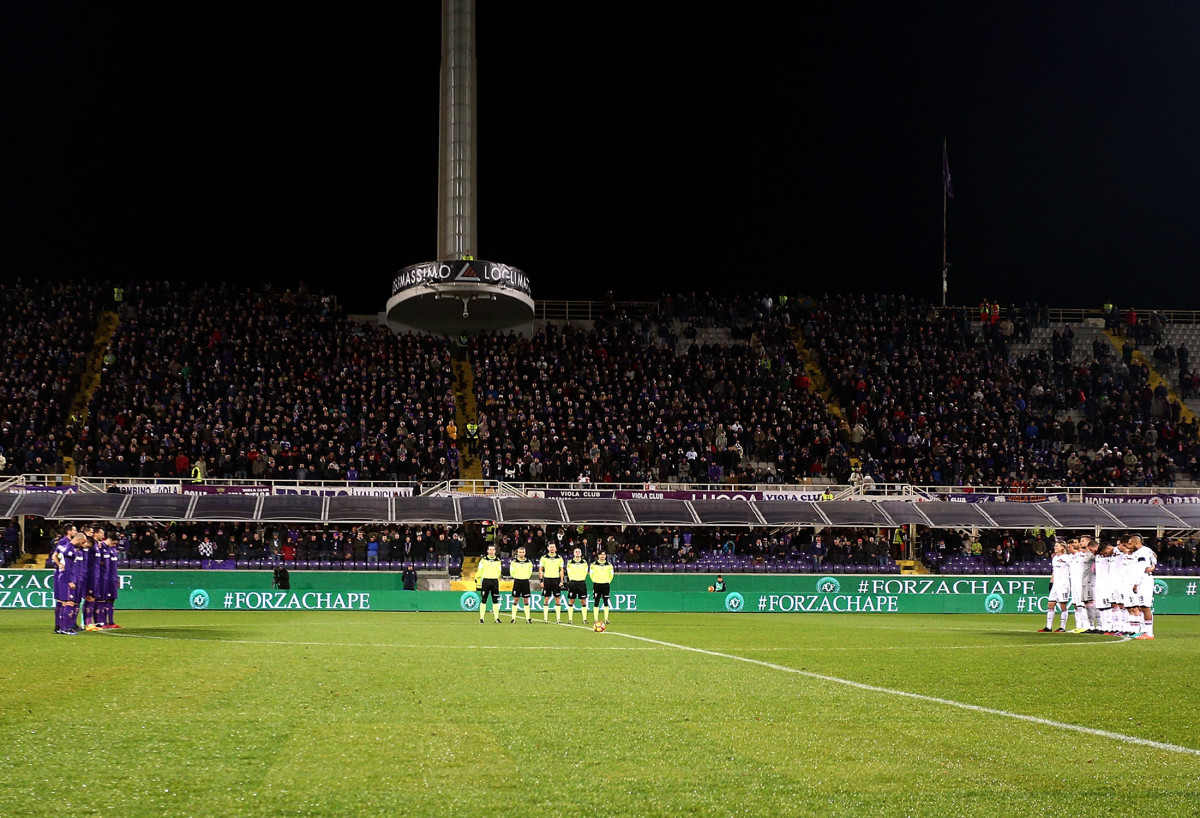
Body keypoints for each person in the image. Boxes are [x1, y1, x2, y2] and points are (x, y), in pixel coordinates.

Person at [1127, 534, 1158, 640]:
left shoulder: (1141, 553)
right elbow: (1155, 558)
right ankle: (1144, 631)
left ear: (1137, 543)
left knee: (1145, 607)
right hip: (1144, 579)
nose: (1129, 546)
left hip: (1144, 581)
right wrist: (1153, 566)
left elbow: (1141, 568)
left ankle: (1149, 633)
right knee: (1141, 607)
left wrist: (1136, 583)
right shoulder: (1147, 550)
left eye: (1131, 544)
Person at [51, 532, 80, 634]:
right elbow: (67, 567)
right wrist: (70, 581)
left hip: (61, 578)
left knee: (63, 603)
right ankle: (65, 629)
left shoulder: (64, 547)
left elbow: (55, 556)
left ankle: (61, 628)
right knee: (69, 603)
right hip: (66, 579)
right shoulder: (70, 549)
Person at [1040, 540, 1072, 633]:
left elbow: (1073, 568)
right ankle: (1048, 627)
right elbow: (1054, 571)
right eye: (1055, 546)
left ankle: (1062, 627)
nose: (1055, 547)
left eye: (1057, 546)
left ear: (1062, 547)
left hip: (1064, 584)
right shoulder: (1054, 558)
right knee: (1050, 604)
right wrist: (1051, 582)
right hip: (1055, 584)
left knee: (1062, 605)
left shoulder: (1067, 557)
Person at [475, 544, 503, 624]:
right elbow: (479, 570)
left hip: (494, 581)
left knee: (495, 600)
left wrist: (496, 577)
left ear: (495, 551)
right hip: (486, 581)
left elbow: (499, 571)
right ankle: (481, 618)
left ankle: (496, 618)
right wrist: (479, 579)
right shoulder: (483, 560)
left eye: (493, 550)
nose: (491, 551)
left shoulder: (498, 560)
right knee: (484, 600)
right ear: (487, 551)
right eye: (490, 550)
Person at [538, 542, 565, 624]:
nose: (552, 548)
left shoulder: (559, 558)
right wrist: (541, 580)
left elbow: (561, 570)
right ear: (548, 548)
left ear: (555, 548)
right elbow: (541, 569)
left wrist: (561, 580)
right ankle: (545, 619)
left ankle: (558, 619)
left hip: (556, 580)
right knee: (546, 599)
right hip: (547, 580)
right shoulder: (543, 558)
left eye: (553, 547)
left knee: (557, 599)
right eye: (551, 547)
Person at [564, 547, 590, 624]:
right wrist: (572, 579)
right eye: (576, 551)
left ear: (581, 553)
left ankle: (584, 619)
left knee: (583, 601)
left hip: (581, 582)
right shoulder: (570, 562)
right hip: (573, 583)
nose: (577, 553)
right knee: (571, 600)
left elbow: (585, 572)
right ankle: (570, 619)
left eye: (579, 551)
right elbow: (569, 572)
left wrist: (581, 578)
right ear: (574, 553)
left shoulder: (584, 562)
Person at [509, 545, 534, 623]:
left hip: (525, 581)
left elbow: (530, 571)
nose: (521, 553)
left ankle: (528, 618)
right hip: (517, 581)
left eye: (523, 552)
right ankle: (513, 618)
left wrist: (526, 577)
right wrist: (517, 576)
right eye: (520, 552)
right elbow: (511, 572)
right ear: (517, 553)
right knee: (516, 599)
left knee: (526, 600)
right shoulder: (514, 562)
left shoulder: (528, 562)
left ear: (525, 553)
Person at [589, 550, 614, 625]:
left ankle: (606, 619)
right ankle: (595, 619)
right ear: (598, 556)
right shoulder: (593, 564)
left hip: (606, 584)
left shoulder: (609, 565)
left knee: (606, 601)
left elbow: (611, 574)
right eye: (601, 554)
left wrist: (608, 581)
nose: (602, 556)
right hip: (597, 584)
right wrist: (595, 580)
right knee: (596, 601)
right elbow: (591, 574)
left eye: (604, 554)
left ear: (605, 556)